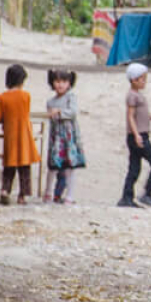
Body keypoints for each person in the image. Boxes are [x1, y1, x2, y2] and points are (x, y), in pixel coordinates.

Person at [0, 64, 40, 205]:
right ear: (22, 80)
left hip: (11, 136)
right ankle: (22, 196)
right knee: (24, 167)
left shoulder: (2, 98)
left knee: (9, 166)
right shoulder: (26, 96)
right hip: (25, 136)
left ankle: (5, 191)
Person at [118, 63, 151, 208]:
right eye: (142, 79)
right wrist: (136, 135)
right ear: (134, 80)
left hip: (137, 135)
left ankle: (127, 197)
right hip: (138, 136)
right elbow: (131, 117)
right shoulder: (132, 96)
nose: (144, 82)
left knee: (134, 167)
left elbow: (143, 114)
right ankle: (147, 193)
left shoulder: (138, 96)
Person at [45, 68, 86, 204]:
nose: (60, 84)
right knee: (53, 166)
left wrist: (59, 112)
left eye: (64, 81)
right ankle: (48, 193)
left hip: (68, 138)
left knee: (69, 166)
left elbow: (73, 112)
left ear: (69, 83)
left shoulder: (70, 97)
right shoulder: (50, 102)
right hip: (56, 138)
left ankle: (70, 195)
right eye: (57, 81)